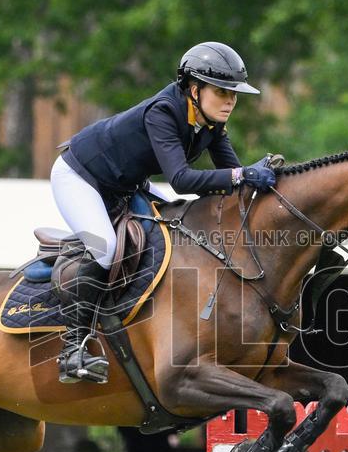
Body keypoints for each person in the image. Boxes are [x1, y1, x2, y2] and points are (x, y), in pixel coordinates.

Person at [51, 41, 277, 384]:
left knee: (175, 227)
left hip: (126, 185)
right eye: (222, 92)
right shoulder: (163, 111)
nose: (231, 101)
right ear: (194, 89)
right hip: (81, 177)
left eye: (234, 94)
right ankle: (72, 350)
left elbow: (233, 177)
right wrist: (242, 174)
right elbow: (183, 179)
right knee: (106, 248)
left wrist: (261, 180)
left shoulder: (210, 121)